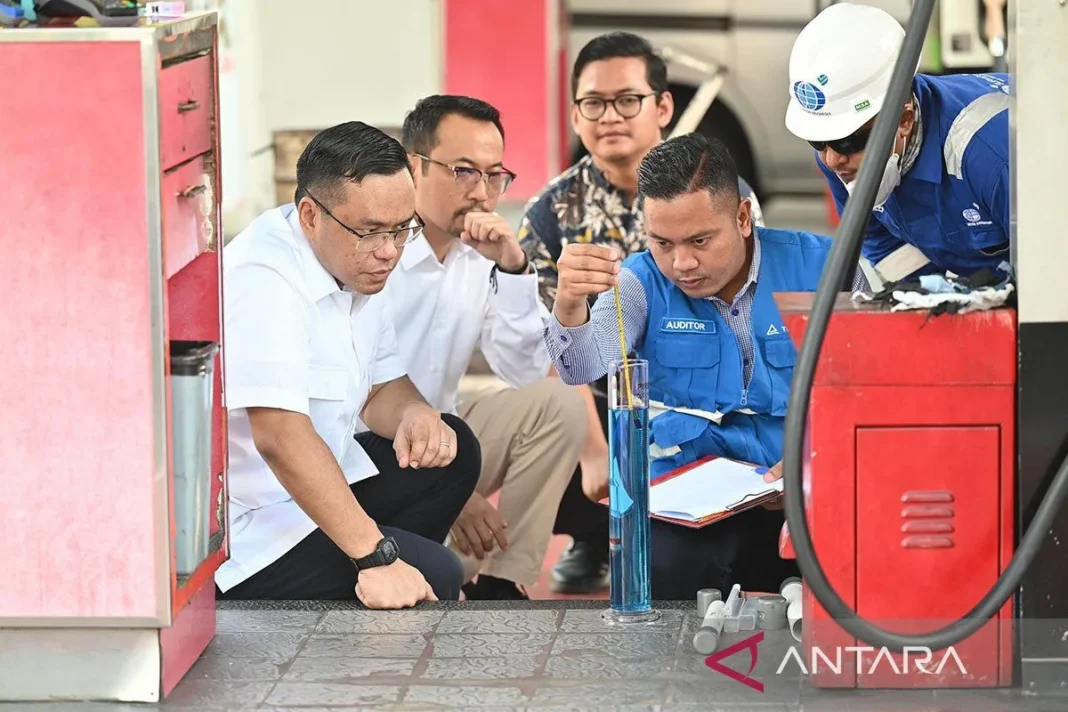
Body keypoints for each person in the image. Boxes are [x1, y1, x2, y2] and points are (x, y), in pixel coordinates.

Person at [545, 132, 867, 599]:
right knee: (657, 567)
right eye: (662, 242)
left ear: (742, 218)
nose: (681, 263)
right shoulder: (637, 282)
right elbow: (582, 367)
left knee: (867, 565)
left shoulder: (832, 270)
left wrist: (821, 456)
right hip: (692, 507)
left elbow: (879, 389)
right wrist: (569, 304)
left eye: (700, 240)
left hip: (808, 492)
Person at [518, 31, 765, 595]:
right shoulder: (550, 214)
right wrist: (594, 451)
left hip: (700, 398)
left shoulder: (720, 190)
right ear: (575, 114)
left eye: (627, 100)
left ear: (663, 107)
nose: (610, 116)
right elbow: (543, 344)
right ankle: (590, 536)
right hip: (599, 409)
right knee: (545, 418)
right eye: (593, 103)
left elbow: (749, 309)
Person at [215, 121, 481, 607]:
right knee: (441, 572)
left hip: (326, 479)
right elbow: (279, 437)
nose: (389, 251)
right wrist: (375, 556)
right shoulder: (262, 279)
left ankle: (379, 585)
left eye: (402, 229)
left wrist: (414, 414)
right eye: (371, 232)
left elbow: (382, 387)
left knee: (453, 447)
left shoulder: (355, 261)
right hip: (255, 526)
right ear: (310, 215)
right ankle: (378, 578)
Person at [383, 95, 586, 601]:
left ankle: (501, 582)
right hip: (367, 455)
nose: (481, 193)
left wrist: (513, 267)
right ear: (413, 166)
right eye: (463, 171)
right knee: (439, 572)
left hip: (446, 443)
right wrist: (453, 489)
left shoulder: (480, 257)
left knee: (557, 404)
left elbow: (529, 371)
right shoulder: (377, 248)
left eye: (494, 175)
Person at [785, 2, 1011, 288]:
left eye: (848, 140)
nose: (832, 159)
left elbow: (1051, 276)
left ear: (904, 119)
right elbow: (885, 248)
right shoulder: (843, 161)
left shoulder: (991, 156)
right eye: (817, 140)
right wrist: (927, 296)